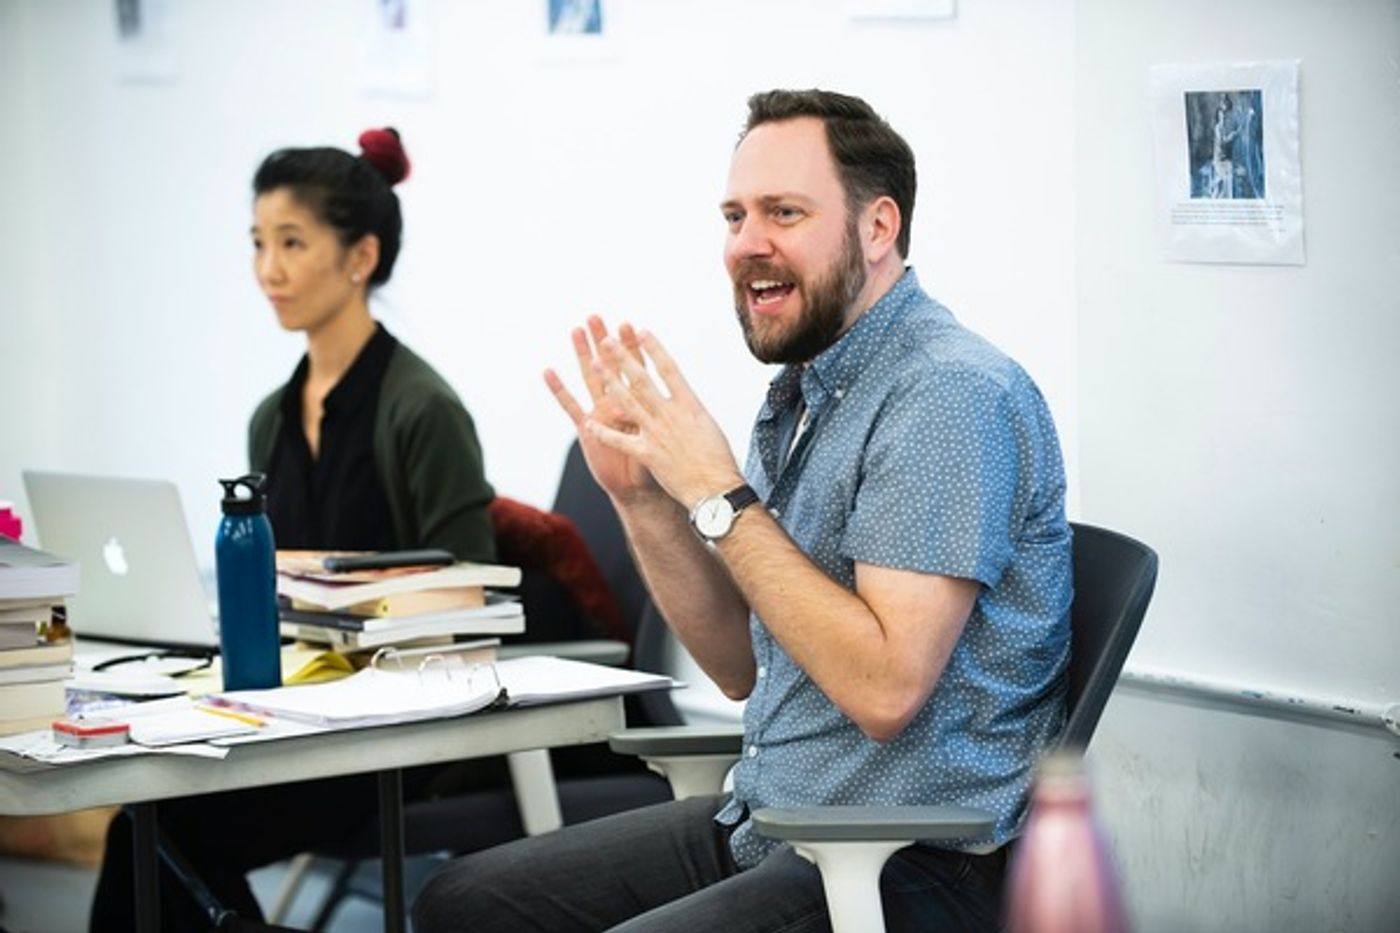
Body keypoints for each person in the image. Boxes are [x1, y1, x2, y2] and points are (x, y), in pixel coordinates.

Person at [412, 89, 1072, 933]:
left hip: (909, 863)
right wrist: (642, 495)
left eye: (784, 213)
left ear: (878, 228)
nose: (745, 245)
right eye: (734, 215)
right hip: (773, 826)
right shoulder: (805, 389)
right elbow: (735, 665)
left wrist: (720, 495)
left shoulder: (944, 394)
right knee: (460, 905)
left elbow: (883, 688)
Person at [90, 128, 497, 931]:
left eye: (291, 243)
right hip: (299, 715)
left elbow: (474, 595)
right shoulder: (271, 418)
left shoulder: (422, 409)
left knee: (163, 832)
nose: (267, 270)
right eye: (257, 243)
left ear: (360, 257)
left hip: (395, 735)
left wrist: (339, 602)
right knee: (150, 825)